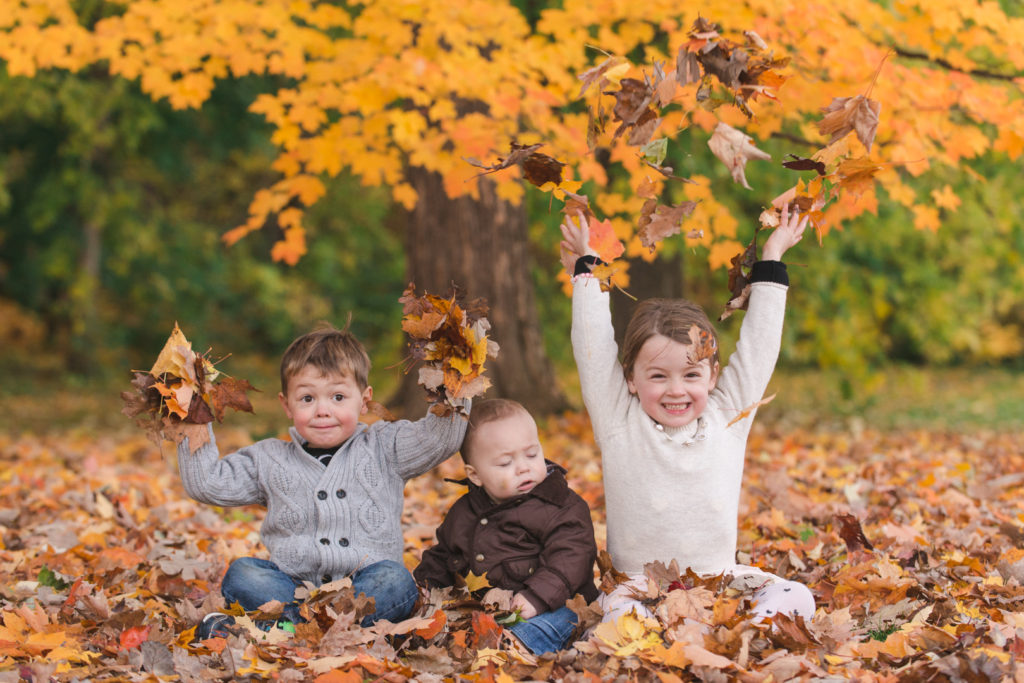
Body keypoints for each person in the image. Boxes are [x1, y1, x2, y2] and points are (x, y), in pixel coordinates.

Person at [560, 203, 816, 624]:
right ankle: (660, 641)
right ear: (630, 378)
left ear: (713, 375)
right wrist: (588, 271)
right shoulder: (619, 422)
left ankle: (743, 638)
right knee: (617, 619)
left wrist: (771, 260)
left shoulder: (728, 418)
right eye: (658, 375)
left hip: (718, 583)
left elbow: (758, 347)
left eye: (691, 374)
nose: (676, 390)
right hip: (639, 588)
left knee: (797, 597)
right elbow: (592, 348)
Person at [180, 324, 470, 640]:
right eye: (306, 398)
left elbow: (441, 438)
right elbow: (207, 482)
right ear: (286, 404)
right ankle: (300, 627)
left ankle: (285, 631)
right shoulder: (269, 459)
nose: (322, 410)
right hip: (292, 588)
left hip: (364, 589)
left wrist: (454, 369)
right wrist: (189, 410)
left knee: (395, 581)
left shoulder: (385, 447)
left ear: (364, 400)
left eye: (338, 396)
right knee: (243, 575)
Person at [414, 398, 599, 654]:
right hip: (490, 614)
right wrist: (424, 591)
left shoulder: (561, 506)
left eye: (532, 454)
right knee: (451, 632)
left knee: (551, 624)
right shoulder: (464, 512)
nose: (523, 467)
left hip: (556, 604)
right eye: (505, 463)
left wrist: (537, 598)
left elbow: (571, 556)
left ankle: (517, 648)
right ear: (475, 475)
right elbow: (444, 556)